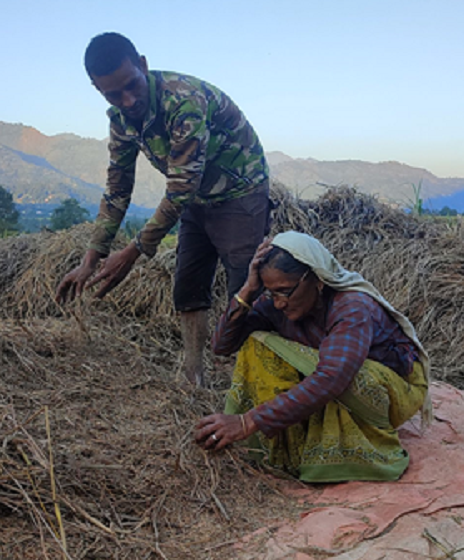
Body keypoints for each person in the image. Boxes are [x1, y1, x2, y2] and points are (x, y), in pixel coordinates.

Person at [56, 32, 271, 386]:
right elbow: (117, 190)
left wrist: (133, 252)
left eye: (132, 86)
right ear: (97, 89)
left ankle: (253, 385)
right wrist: (90, 259)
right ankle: (193, 376)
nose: (127, 100)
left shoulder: (183, 101)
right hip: (195, 199)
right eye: (113, 94)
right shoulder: (121, 120)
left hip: (239, 193)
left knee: (245, 289)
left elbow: (180, 190)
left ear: (143, 65)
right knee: (187, 286)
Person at [194, 231, 432, 483]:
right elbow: (221, 345)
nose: (278, 304)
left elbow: (332, 378)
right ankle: (290, 443)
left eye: (284, 291)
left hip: (391, 392)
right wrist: (248, 290)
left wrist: (248, 421)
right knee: (257, 343)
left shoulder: (352, 307)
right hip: (342, 381)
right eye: (271, 293)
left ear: (317, 280)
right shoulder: (280, 304)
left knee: (327, 372)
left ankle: (353, 450)